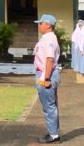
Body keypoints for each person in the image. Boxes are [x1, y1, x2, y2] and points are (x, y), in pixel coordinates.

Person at [33, 14, 61, 144]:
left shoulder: (49, 39)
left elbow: (49, 59)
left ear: (48, 25)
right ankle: (53, 132)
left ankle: (53, 135)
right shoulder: (47, 38)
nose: (39, 26)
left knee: (49, 107)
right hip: (45, 73)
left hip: (46, 74)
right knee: (50, 106)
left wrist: (46, 78)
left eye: (41, 23)